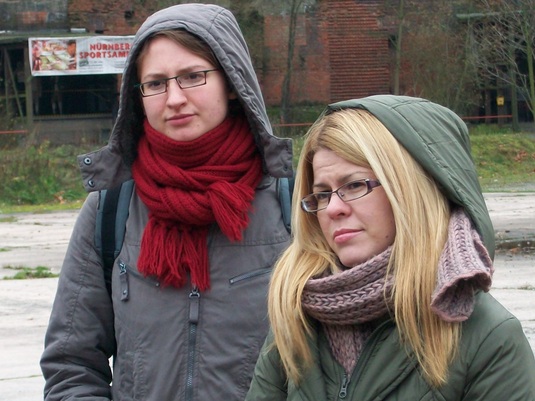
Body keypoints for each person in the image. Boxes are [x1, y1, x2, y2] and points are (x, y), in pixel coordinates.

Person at [40, 4, 292, 400]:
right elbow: (71, 364)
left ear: (231, 81)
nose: (174, 98)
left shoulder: (290, 202)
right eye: (155, 83)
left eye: (193, 76)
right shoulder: (111, 208)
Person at [246, 95, 535, 400]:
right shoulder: (296, 321)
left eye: (354, 185)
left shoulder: (489, 338)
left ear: (410, 189)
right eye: (321, 194)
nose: (332, 209)